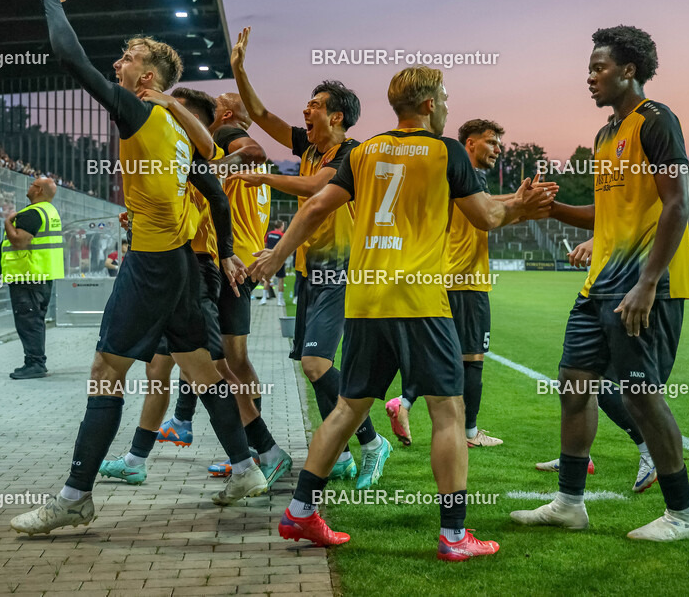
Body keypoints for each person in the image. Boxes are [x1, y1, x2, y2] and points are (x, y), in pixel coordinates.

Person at [250, 65, 556, 560]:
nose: (448, 105)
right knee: (448, 412)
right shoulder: (445, 151)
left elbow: (315, 206)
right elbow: (487, 216)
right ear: (430, 104)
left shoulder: (365, 151)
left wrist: (275, 256)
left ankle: (301, 511)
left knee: (348, 408)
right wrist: (522, 206)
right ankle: (454, 535)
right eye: (445, 97)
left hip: (366, 300)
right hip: (420, 301)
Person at [10, 0, 266, 537]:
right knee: (201, 368)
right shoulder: (175, 127)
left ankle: (75, 497)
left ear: (146, 77)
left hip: (152, 265)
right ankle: (247, 468)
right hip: (181, 266)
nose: (118, 64)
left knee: (106, 371)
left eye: (128, 58)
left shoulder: (140, 111)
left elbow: (70, 58)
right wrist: (225, 254)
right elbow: (215, 191)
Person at [510, 25, 689, 542]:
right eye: (590, 69)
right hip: (599, 286)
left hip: (643, 287)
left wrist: (648, 282)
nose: (590, 77)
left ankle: (683, 516)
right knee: (574, 385)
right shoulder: (604, 136)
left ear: (628, 70)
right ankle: (569, 504)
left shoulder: (656, 120)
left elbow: (678, 204)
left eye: (599, 68)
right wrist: (549, 208)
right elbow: (607, 214)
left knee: (640, 396)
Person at [100, 87, 291, 490]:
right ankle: (143, 454)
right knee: (166, 367)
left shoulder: (216, 144)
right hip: (197, 266)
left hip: (209, 265)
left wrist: (210, 170)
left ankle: (261, 451)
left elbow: (247, 162)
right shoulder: (187, 152)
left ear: (222, 115)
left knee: (218, 367)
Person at [228, 28, 390, 486]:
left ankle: (372, 443)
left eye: (314, 105)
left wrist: (265, 178)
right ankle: (339, 457)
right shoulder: (309, 145)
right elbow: (261, 114)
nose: (305, 110)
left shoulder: (351, 154)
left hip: (342, 271)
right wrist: (240, 70)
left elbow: (317, 187)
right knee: (311, 365)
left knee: (317, 364)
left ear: (336, 116)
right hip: (309, 272)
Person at [386, 119, 512, 449]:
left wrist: (518, 197)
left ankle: (404, 401)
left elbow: (488, 201)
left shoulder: (447, 174)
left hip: (440, 279)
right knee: (472, 360)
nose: (497, 149)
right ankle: (470, 433)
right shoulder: (468, 176)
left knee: (440, 355)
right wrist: (525, 202)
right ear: (470, 143)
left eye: (499, 144)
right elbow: (489, 212)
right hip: (467, 283)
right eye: (491, 142)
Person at [532, 236, 659, 494]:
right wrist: (597, 240)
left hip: (626, 286)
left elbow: (646, 218)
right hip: (601, 286)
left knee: (608, 381)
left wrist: (598, 241)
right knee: (577, 377)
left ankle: (651, 453)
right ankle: (577, 457)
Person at [0, 176, 64, 379]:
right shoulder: (50, 211)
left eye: (32, 184)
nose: (28, 187)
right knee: (35, 319)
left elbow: (19, 242)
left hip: (28, 275)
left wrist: (7, 222)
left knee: (28, 319)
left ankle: (35, 363)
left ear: (39, 190)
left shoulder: (32, 213)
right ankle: (35, 361)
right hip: (42, 273)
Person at [260, 220, 286, 306]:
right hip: (279, 259)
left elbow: (265, 245)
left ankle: (264, 298)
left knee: (267, 278)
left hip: (270, 258)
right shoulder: (282, 235)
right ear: (281, 226)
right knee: (280, 279)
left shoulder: (269, 234)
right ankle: (279, 300)